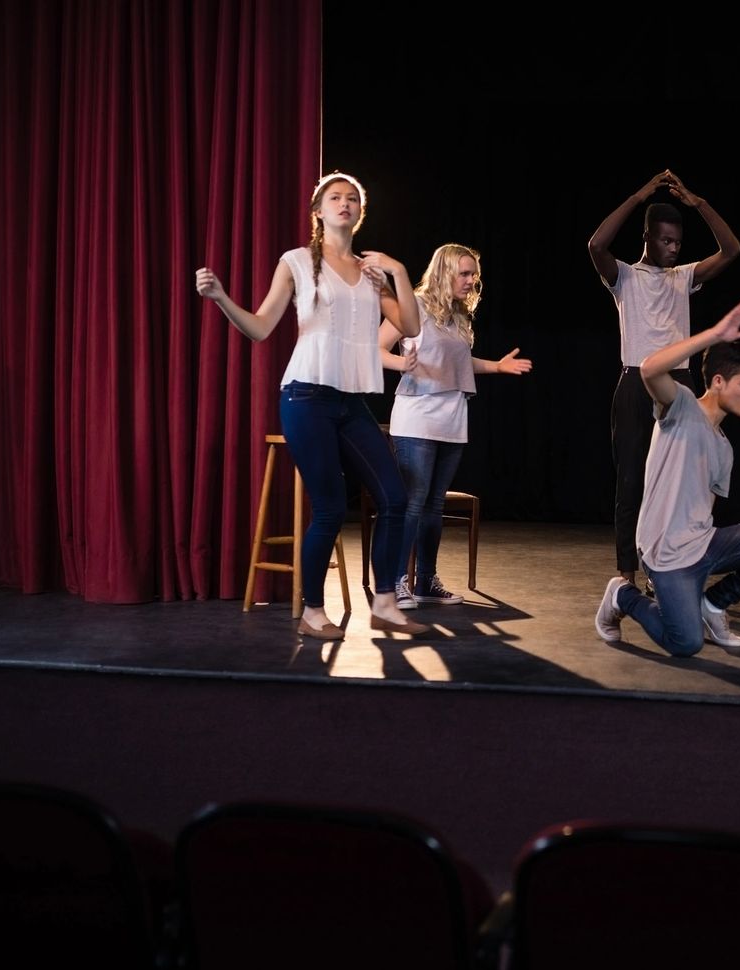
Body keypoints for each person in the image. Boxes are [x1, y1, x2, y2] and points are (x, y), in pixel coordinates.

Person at [195, 172, 427, 640]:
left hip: (350, 400)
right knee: (329, 507)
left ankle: (385, 603)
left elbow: (411, 324)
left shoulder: (371, 271)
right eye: (335, 197)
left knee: (394, 498)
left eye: (353, 199)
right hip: (305, 396)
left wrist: (399, 272)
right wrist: (221, 298)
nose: (345, 203)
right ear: (318, 211)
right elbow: (261, 327)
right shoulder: (298, 262)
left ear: (360, 213)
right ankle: (313, 611)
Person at [594, 300, 740, 656]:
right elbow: (649, 369)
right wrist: (713, 335)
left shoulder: (725, 449)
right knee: (686, 643)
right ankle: (623, 595)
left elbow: (704, 509)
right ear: (718, 382)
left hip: (705, 545)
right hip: (665, 552)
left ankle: (713, 604)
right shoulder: (680, 406)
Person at [589, 169, 740, 590]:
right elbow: (596, 244)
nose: (674, 249)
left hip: (679, 384)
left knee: (679, 483)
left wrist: (700, 204)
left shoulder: (684, 277)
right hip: (636, 381)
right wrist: (638, 195)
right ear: (647, 237)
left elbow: (731, 249)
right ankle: (626, 572)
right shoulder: (624, 276)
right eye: (665, 240)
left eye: (678, 242)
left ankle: (666, 566)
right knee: (632, 480)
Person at [381, 243, 531, 609]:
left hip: (452, 416)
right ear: (444, 272)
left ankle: (425, 582)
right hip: (417, 415)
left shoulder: (460, 317)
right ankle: (395, 581)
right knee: (413, 504)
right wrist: (402, 365)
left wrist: (496, 366)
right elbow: (376, 348)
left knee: (433, 505)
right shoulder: (413, 305)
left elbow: (458, 362)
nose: (471, 281)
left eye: (473, 275)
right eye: (464, 274)